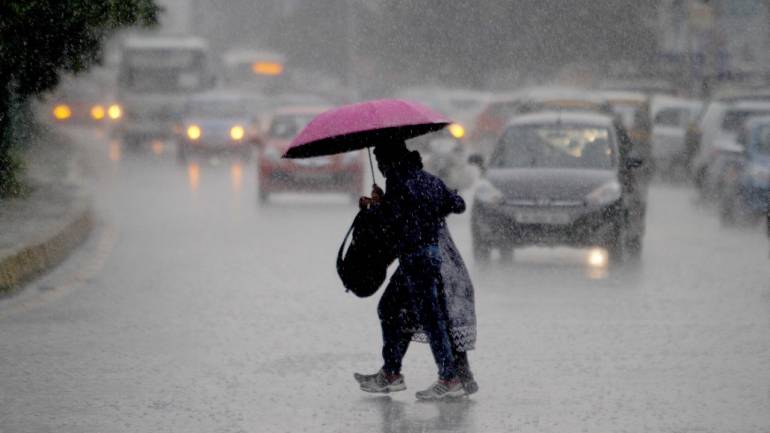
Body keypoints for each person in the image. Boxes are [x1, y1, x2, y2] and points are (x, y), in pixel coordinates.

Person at [354, 140, 477, 400]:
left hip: (416, 260)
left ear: (390, 161)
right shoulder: (428, 180)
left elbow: (392, 222)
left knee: (431, 320)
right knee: (391, 308)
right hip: (430, 258)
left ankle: (449, 377)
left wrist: (373, 208)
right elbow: (457, 204)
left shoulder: (400, 183)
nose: (381, 168)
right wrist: (434, 204)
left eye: (381, 162)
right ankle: (391, 373)